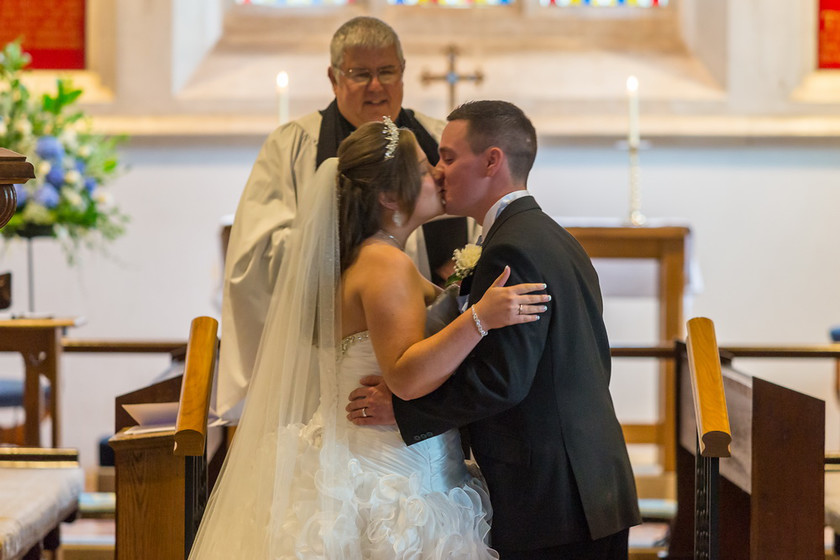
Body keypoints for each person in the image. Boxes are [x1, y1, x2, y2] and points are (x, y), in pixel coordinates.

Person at [188, 119, 549, 558]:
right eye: (421, 168)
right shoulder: (385, 266)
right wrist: (479, 318)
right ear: (390, 196)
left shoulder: (371, 257)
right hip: (393, 474)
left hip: (364, 459)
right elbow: (405, 376)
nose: (436, 173)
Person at [348, 101, 641, 559]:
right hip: (587, 484)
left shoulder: (512, 247)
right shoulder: (549, 236)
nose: (439, 172)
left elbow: (503, 380)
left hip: (553, 499)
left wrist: (405, 411)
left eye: (447, 157)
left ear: (491, 161)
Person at [218, 16, 470, 420]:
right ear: (333, 78)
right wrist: (356, 259)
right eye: (360, 74)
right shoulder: (294, 146)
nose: (376, 86)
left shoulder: (437, 140)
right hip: (328, 364)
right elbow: (254, 258)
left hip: (430, 367)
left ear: (403, 73)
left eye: (387, 71)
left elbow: (475, 227)